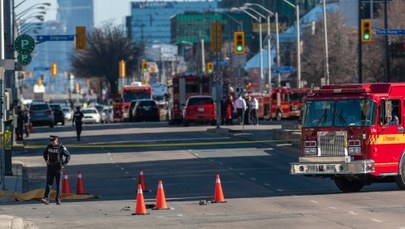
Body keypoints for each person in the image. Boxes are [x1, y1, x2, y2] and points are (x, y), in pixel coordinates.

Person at [41, 135, 71, 205]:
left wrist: (64, 164)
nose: (52, 142)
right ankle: (46, 199)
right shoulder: (49, 147)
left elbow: (68, 155)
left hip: (58, 168)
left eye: (53, 141)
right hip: (50, 167)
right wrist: (46, 160)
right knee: (48, 183)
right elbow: (45, 153)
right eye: (51, 141)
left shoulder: (61, 147)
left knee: (58, 184)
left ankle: (58, 200)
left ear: (56, 140)